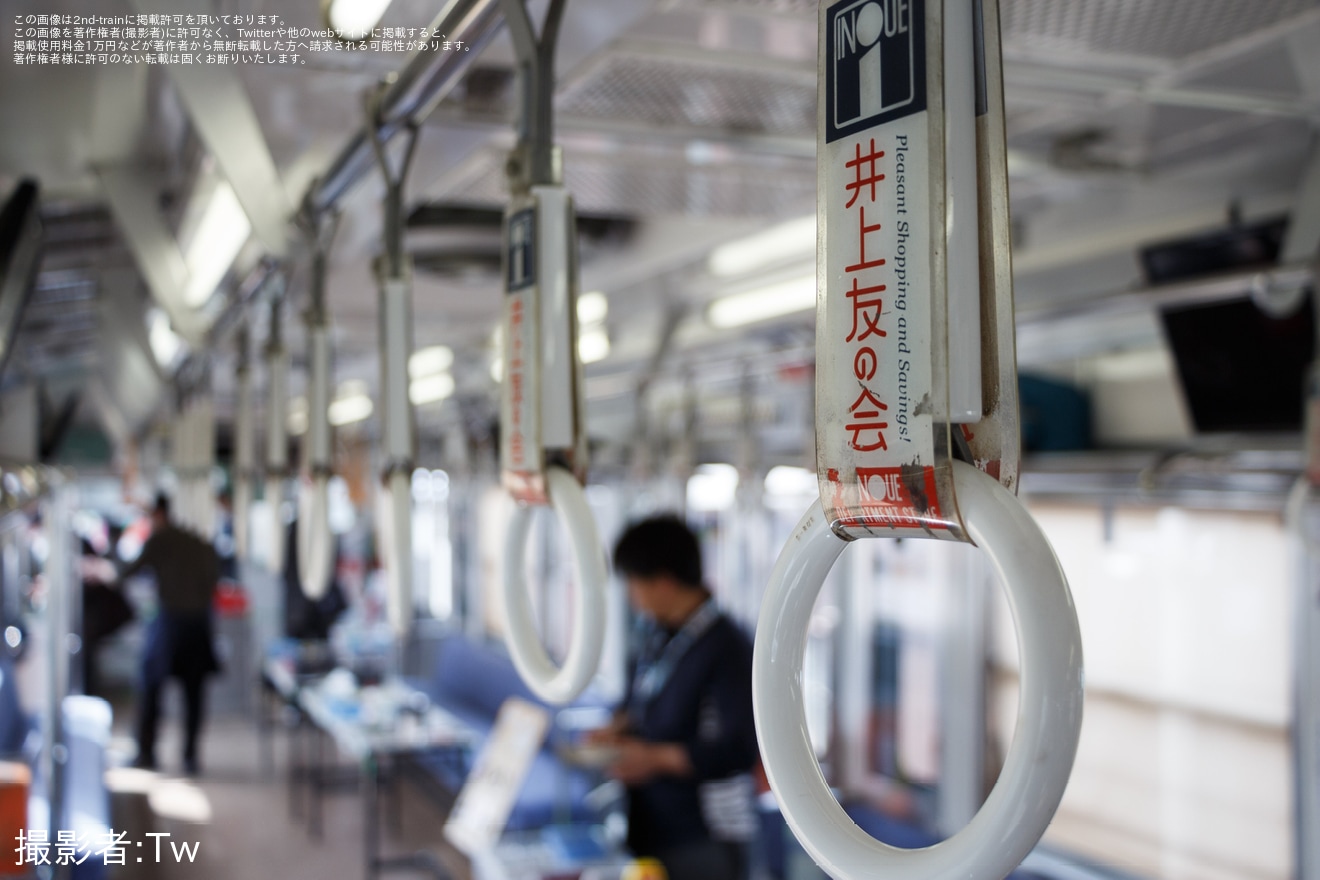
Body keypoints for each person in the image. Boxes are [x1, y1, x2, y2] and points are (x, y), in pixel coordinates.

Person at [589, 515, 759, 880]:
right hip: (653, 821)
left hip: (706, 834)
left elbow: (739, 748)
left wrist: (653, 758)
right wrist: (616, 729)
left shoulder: (729, 647)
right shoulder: (658, 633)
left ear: (664, 583)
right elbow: (641, 699)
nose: (632, 597)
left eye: (634, 584)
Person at [118, 494, 221, 775]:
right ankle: (190, 756)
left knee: (151, 688)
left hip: (171, 622)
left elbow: (127, 572)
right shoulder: (203, 543)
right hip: (199, 624)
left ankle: (147, 752)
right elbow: (214, 580)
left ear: (160, 513)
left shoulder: (161, 540)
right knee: (194, 694)